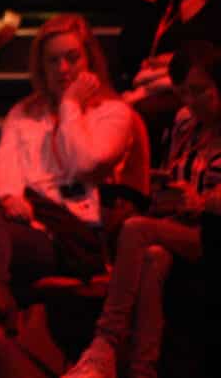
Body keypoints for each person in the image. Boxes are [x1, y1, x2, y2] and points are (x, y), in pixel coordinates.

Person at [0, 16, 146, 378]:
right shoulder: (23, 114)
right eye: (52, 60)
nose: (63, 68)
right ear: (40, 66)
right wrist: (8, 198)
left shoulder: (114, 112)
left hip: (76, 237)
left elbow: (87, 164)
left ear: (89, 61)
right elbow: (4, 169)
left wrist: (70, 106)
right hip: (29, 226)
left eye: (72, 58)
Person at [60, 42, 221, 378]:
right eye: (184, 93)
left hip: (214, 231)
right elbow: (176, 175)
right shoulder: (185, 123)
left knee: (135, 228)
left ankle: (104, 343)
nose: (191, 102)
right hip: (184, 227)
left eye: (199, 91)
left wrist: (202, 201)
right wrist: (170, 195)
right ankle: (142, 370)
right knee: (154, 258)